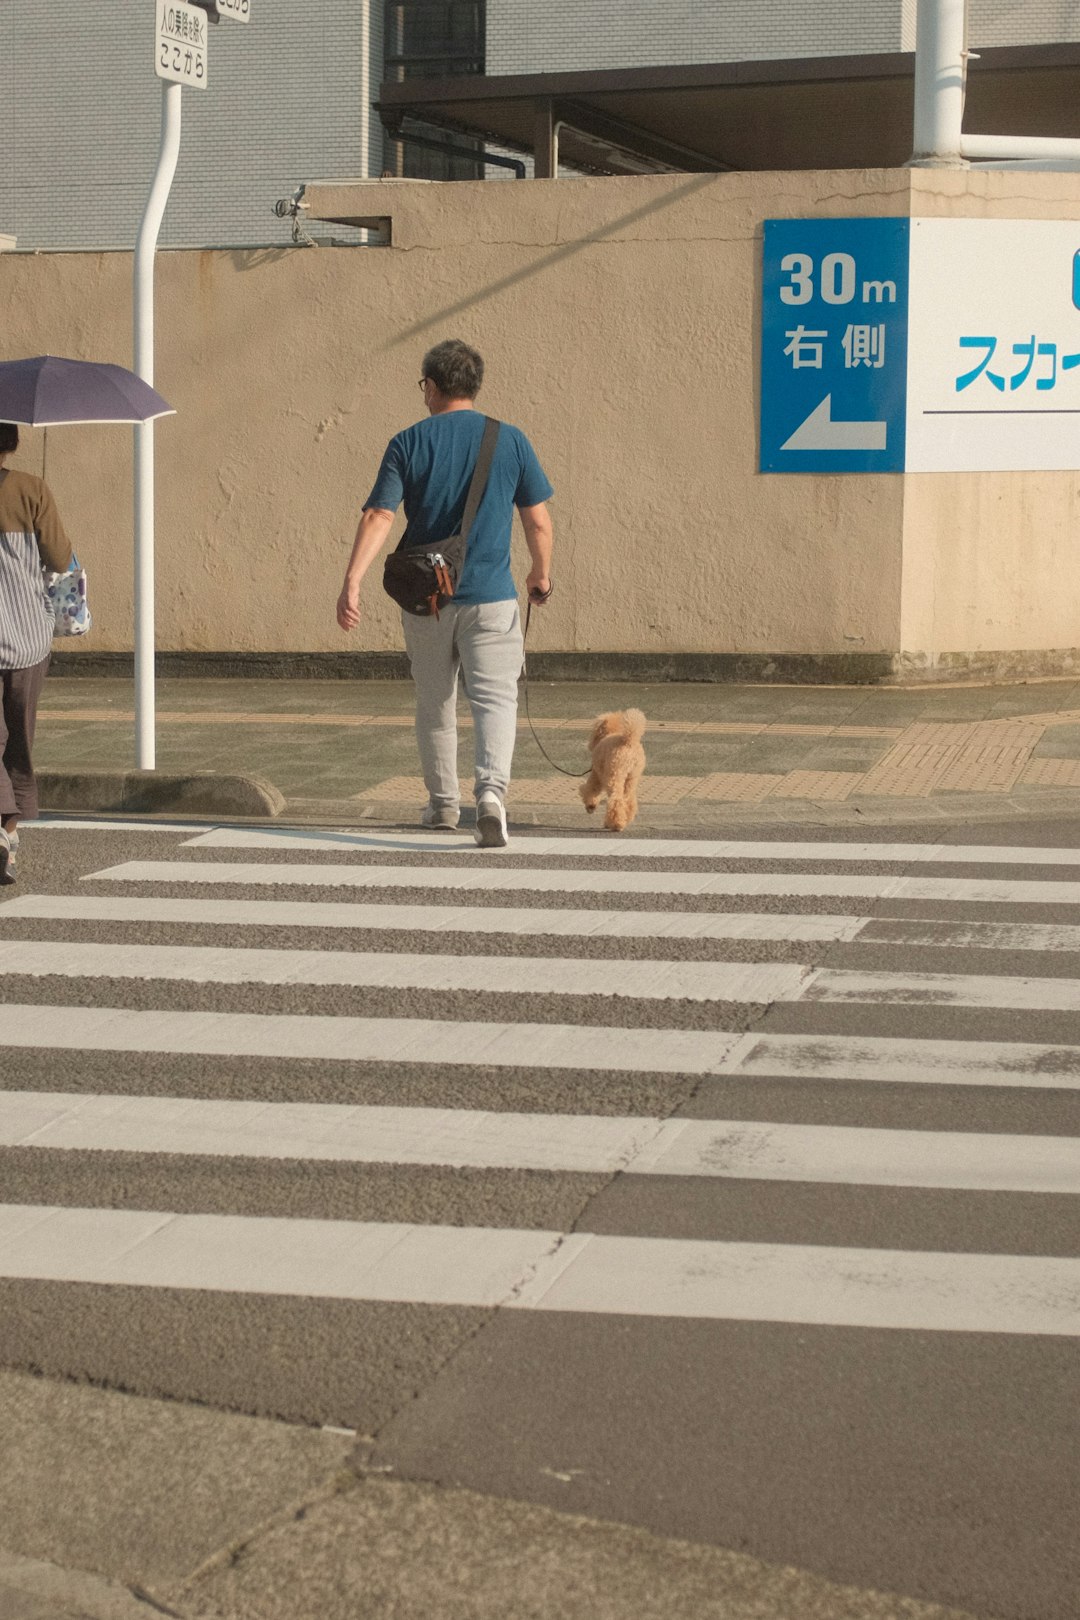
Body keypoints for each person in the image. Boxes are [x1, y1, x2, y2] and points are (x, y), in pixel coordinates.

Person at [336, 339, 554, 848]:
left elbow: (380, 515)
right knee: (495, 701)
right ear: (473, 387)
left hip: (427, 601)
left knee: (434, 703)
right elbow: (538, 522)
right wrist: (540, 575)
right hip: (493, 598)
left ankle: (441, 806)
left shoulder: (407, 442)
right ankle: (492, 796)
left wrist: (353, 580)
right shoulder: (511, 440)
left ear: (431, 387)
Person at [0, 422, 72, 885]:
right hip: (27, 639)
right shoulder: (31, 489)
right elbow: (61, 559)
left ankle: (2, 831)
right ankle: (10, 827)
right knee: (20, 741)